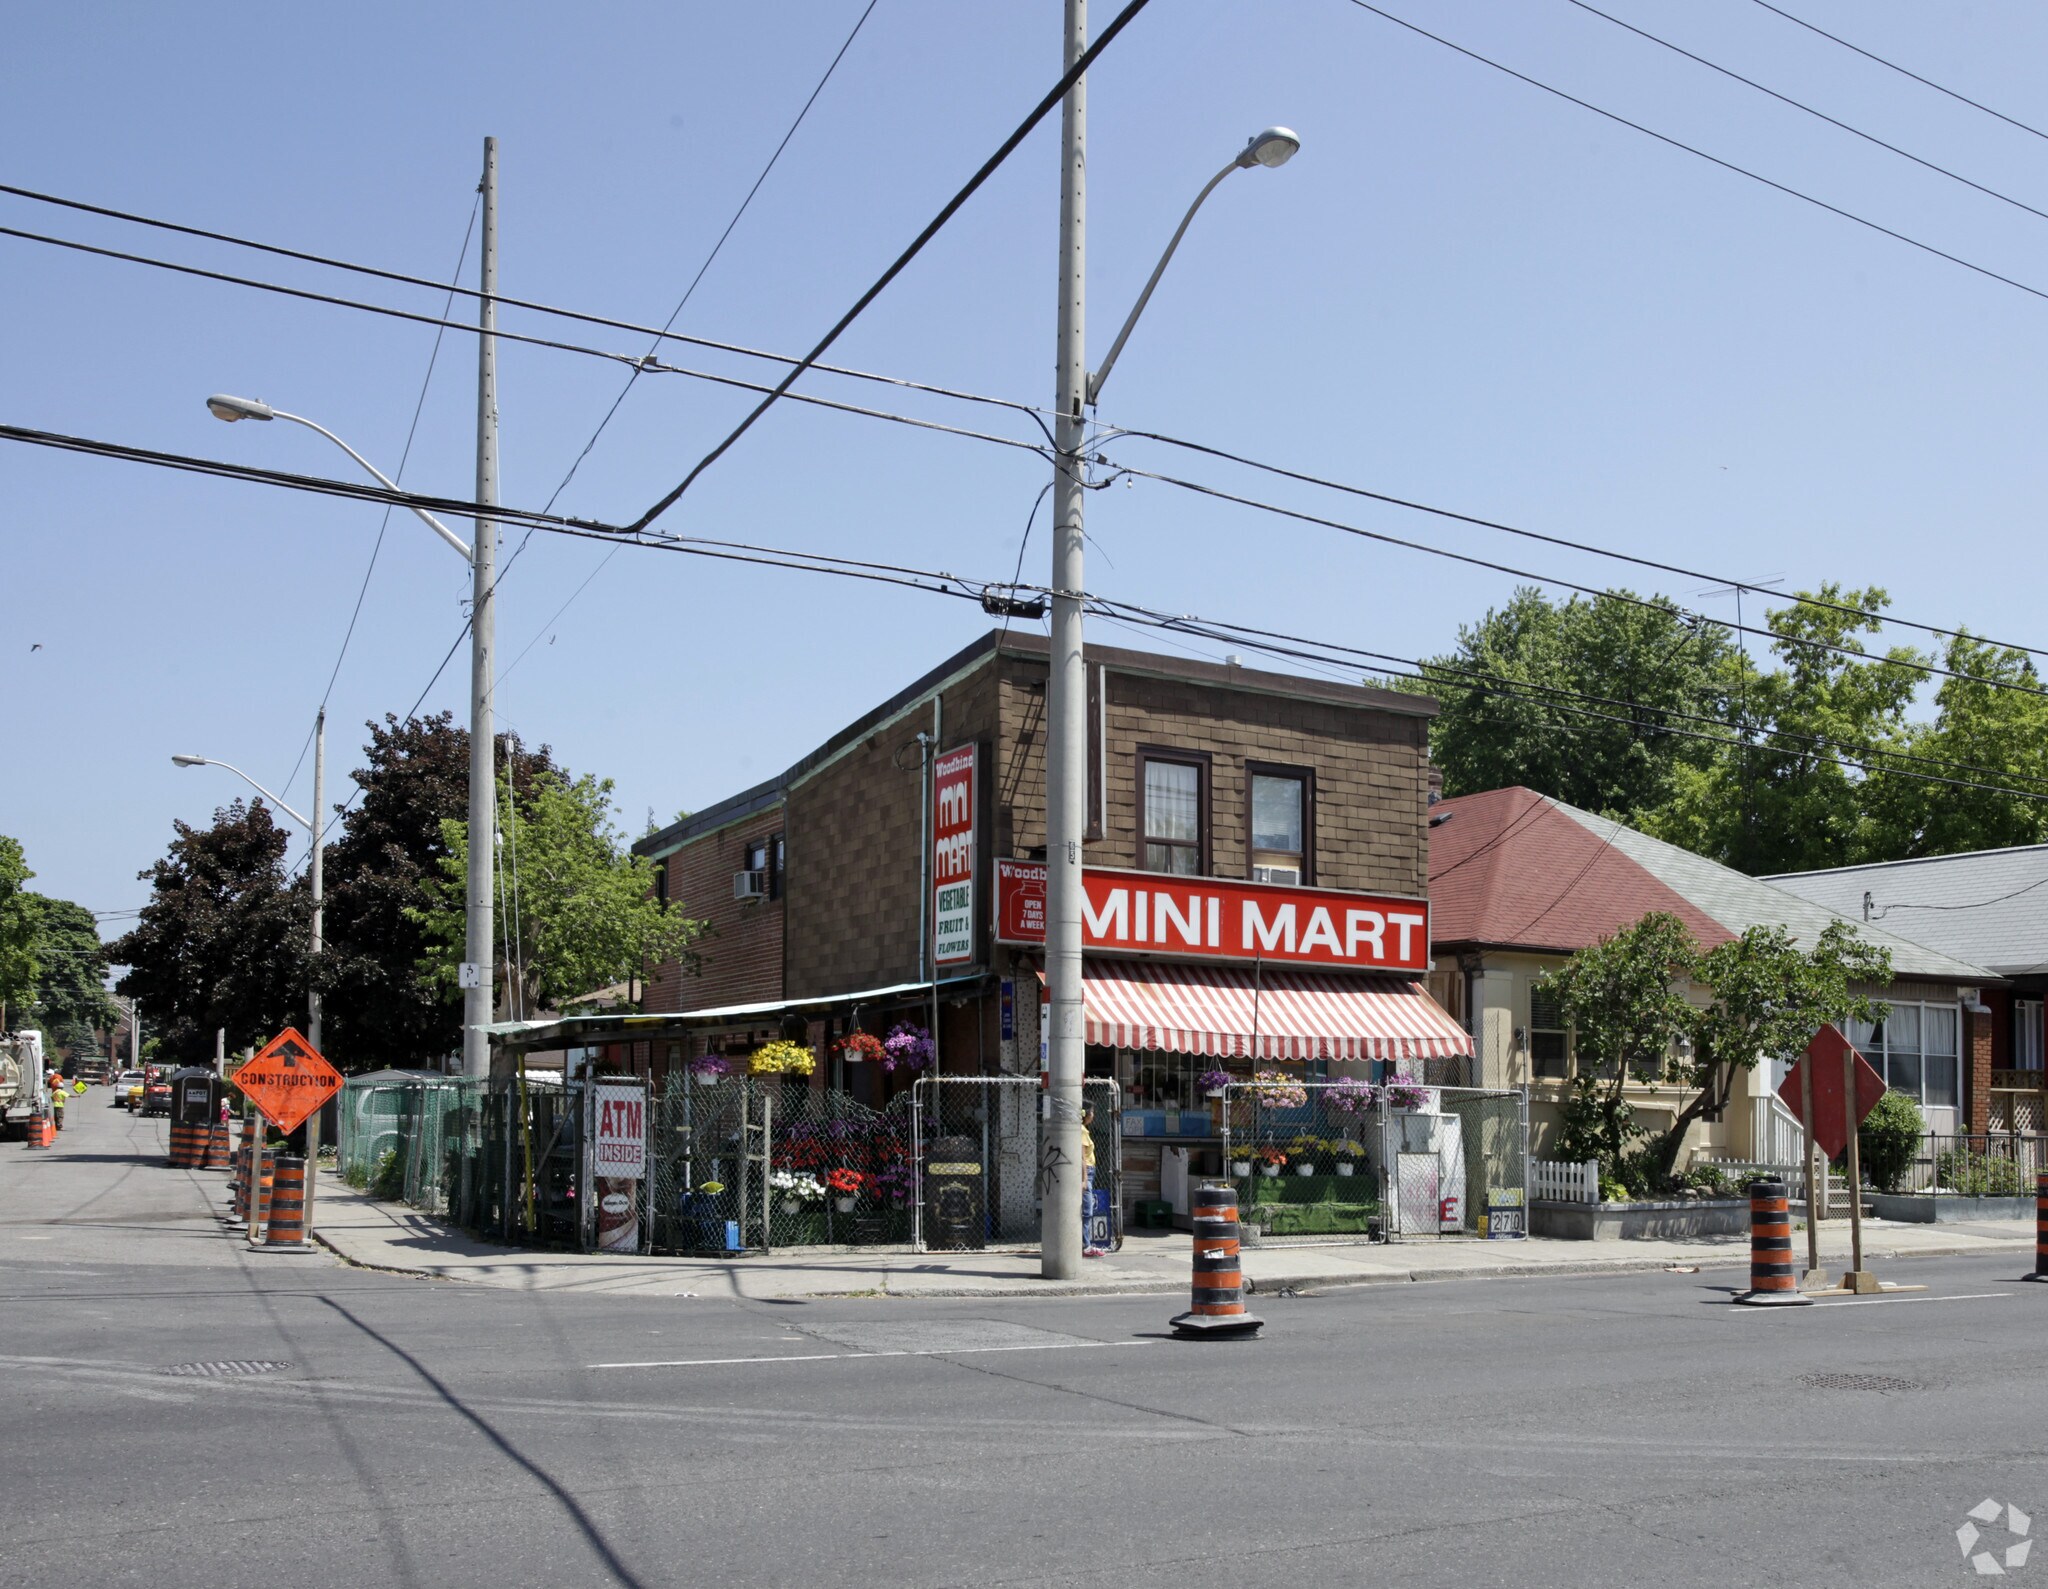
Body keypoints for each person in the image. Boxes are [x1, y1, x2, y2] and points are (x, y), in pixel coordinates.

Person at [1080, 1104, 1106, 1258]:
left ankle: (1085, 1244)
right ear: (1087, 1114)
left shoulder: (1084, 1131)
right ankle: (1085, 1245)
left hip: (1089, 1172)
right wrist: (1084, 1179)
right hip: (1086, 1172)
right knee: (1087, 1211)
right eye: (1092, 1112)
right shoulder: (1082, 1132)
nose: (1094, 1115)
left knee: (1086, 1210)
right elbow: (1082, 1157)